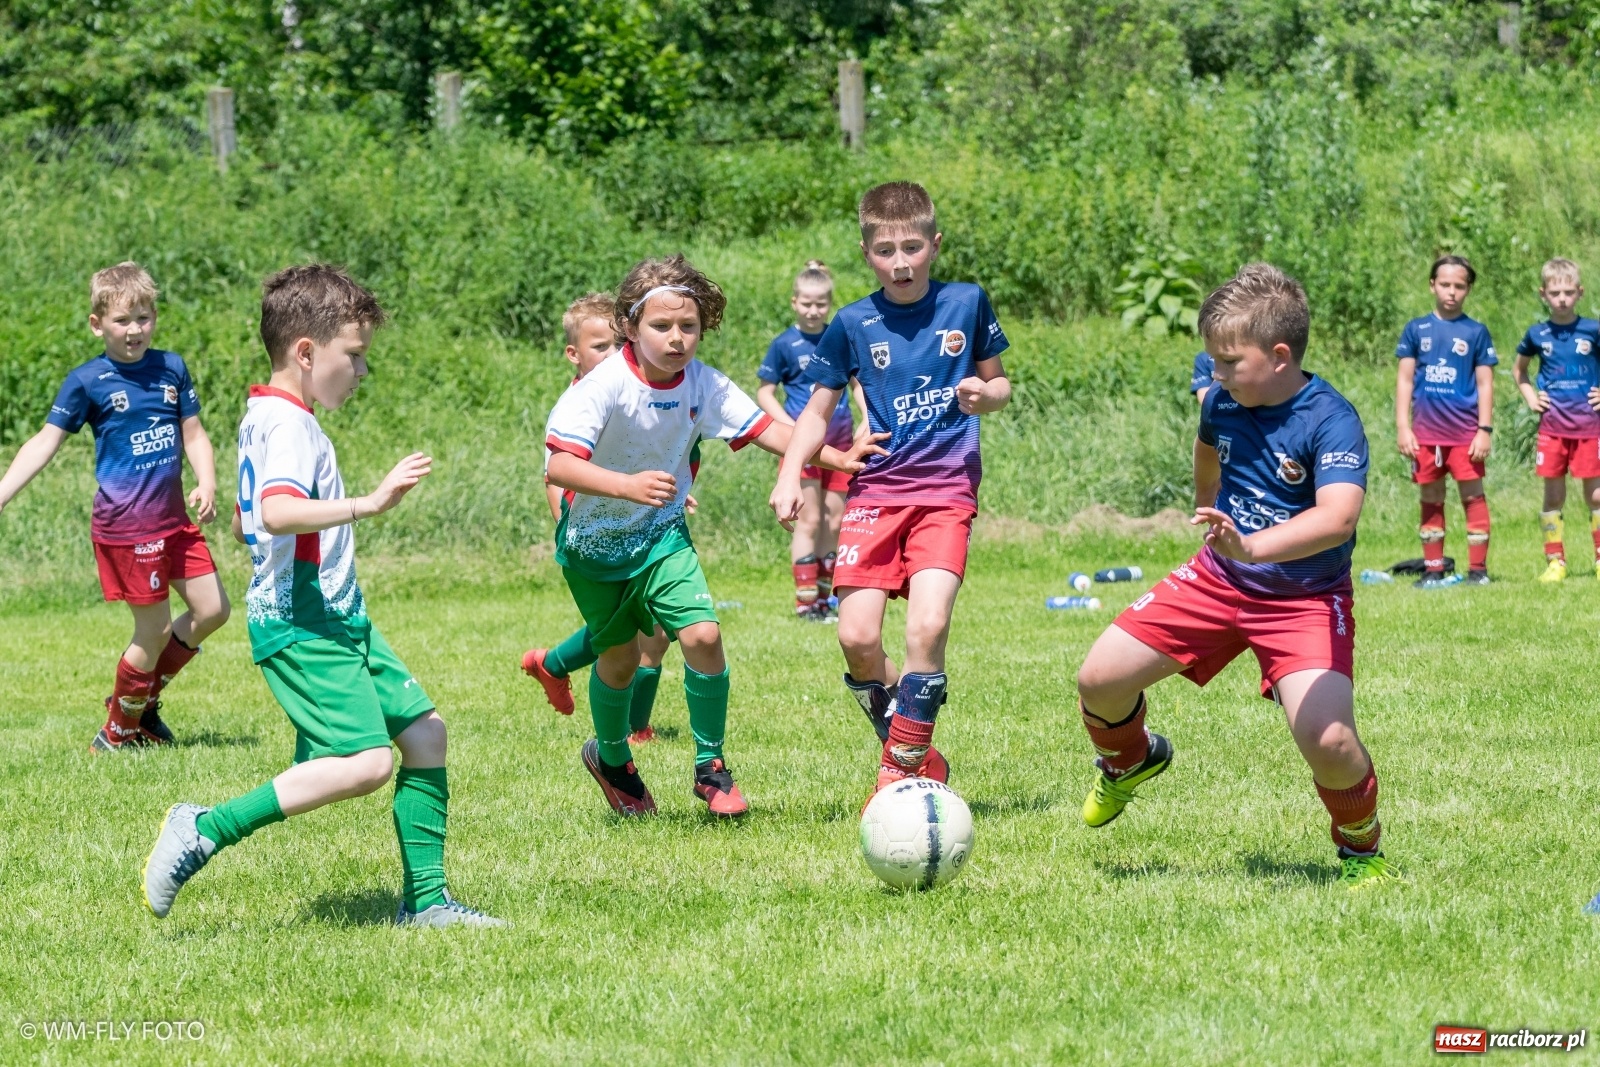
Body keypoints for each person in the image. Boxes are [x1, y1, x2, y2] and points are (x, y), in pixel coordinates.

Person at [142, 264, 503, 928]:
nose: (362, 373)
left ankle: (426, 902)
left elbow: (254, 516)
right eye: (355, 356)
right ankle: (205, 827)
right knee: (365, 763)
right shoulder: (288, 426)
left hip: (338, 616)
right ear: (306, 353)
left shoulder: (269, 413)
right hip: (304, 621)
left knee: (425, 734)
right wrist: (370, 501)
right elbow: (277, 511)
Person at [1074, 263, 1398, 890]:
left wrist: (1251, 546)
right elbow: (1206, 446)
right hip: (1216, 579)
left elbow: (1338, 517)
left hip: (1304, 599)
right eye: (1212, 362)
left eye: (1227, 362)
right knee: (1099, 680)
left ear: (1280, 356)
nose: (1214, 377)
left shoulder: (1332, 419)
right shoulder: (1224, 401)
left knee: (1328, 739)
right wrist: (1211, 511)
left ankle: (1361, 850)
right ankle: (1128, 761)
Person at [544, 255, 882, 818]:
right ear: (630, 326)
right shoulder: (602, 386)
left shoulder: (701, 382)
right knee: (621, 658)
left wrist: (840, 460)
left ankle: (710, 766)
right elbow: (559, 467)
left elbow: (771, 430)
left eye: (689, 327)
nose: (677, 339)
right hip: (593, 548)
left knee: (702, 634)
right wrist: (626, 485)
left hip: (662, 537)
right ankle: (611, 760)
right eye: (661, 327)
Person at [770, 181, 1012, 795]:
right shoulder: (851, 322)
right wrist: (788, 472)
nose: (900, 262)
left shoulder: (967, 303)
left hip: (946, 492)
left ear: (934, 243)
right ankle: (907, 736)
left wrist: (986, 395)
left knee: (927, 630)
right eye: (885, 250)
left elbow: (1001, 385)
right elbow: (817, 412)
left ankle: (899, 770)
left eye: (911, 247)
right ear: (865, 251)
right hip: (875, 494)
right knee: (855, 638)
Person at [0, 262, 228, 751]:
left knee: (212, 609)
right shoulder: (87, 382)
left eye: (144, 318)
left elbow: (194, 433)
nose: (135, 330)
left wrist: (206, 481)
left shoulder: (171, 368)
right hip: (127, 528)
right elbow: (44, 442)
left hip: (175, 523)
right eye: (123, 320)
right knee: (154, 629)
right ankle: (115, 735)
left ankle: (138, 703)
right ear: (97, 323)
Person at [521, 293, 676, 744]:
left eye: (618, 344)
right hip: (595, 536)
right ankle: (626, 725)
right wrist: (568, 526)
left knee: (653, 631)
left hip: (638, 524)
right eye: (600, 347)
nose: (613, 355)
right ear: (573, 354)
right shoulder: (576, 403)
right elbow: (556, 473)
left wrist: (669, 495)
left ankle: (557, 668)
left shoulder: (626, 391)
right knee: (630, 634)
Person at [756, 260, 868, 620]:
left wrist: (867, 417)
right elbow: (765, 393)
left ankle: (826, 599)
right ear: (794, 302)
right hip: (801, 447)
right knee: (809, 520)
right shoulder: (784, 344)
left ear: (829, 304)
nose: (813, 309)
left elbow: (857, 384)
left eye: (820, 303)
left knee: (835, 521)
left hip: (840, 445)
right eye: (806, 302)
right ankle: (806, 602)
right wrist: (790, 427)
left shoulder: (839, 339)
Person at [1395, 255, 1497, 586]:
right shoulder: (1416, 329)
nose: (1451, 292)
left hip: (1465, 435)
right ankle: (1433, 569)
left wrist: (1484, 430)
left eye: (1459, 286)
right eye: (1444, 284)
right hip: (1426, 435)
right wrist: (1403, 427)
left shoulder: (1476, 332)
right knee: (1430, 497)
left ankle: (1478, 571)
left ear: (1468, 289)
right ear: (1432, 285)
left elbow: (1485, 384)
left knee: (1472, 496)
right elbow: (1405, 382)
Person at [1512, 259, 1600, 582]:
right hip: (1553, 429)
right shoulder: (1537, 334)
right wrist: (1531, 396)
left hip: (1590, 427)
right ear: (1543, 294)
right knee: (1553, 496)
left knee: (1596, 496)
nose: (1561, 298)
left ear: (1580, 293)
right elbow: (1518, 371)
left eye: (1567, 292)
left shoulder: (1593, 329)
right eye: (1554, 292)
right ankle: (1555, 562)